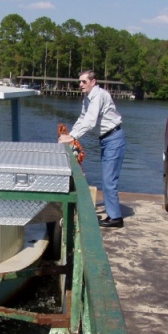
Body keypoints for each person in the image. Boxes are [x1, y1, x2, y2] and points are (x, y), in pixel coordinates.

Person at [58, 70, 127, 228]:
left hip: (114, 139)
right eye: (80, 82)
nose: (80, 85)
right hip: (106, 139)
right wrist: (70, 135)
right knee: (107, 178)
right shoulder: (87, 98)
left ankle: (115, 218)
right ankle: (113, 214)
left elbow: (90, 121)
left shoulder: (99, 96)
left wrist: (73, 137)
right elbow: (82, 118)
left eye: (84, 81)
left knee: (109, 180)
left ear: (93, 81)